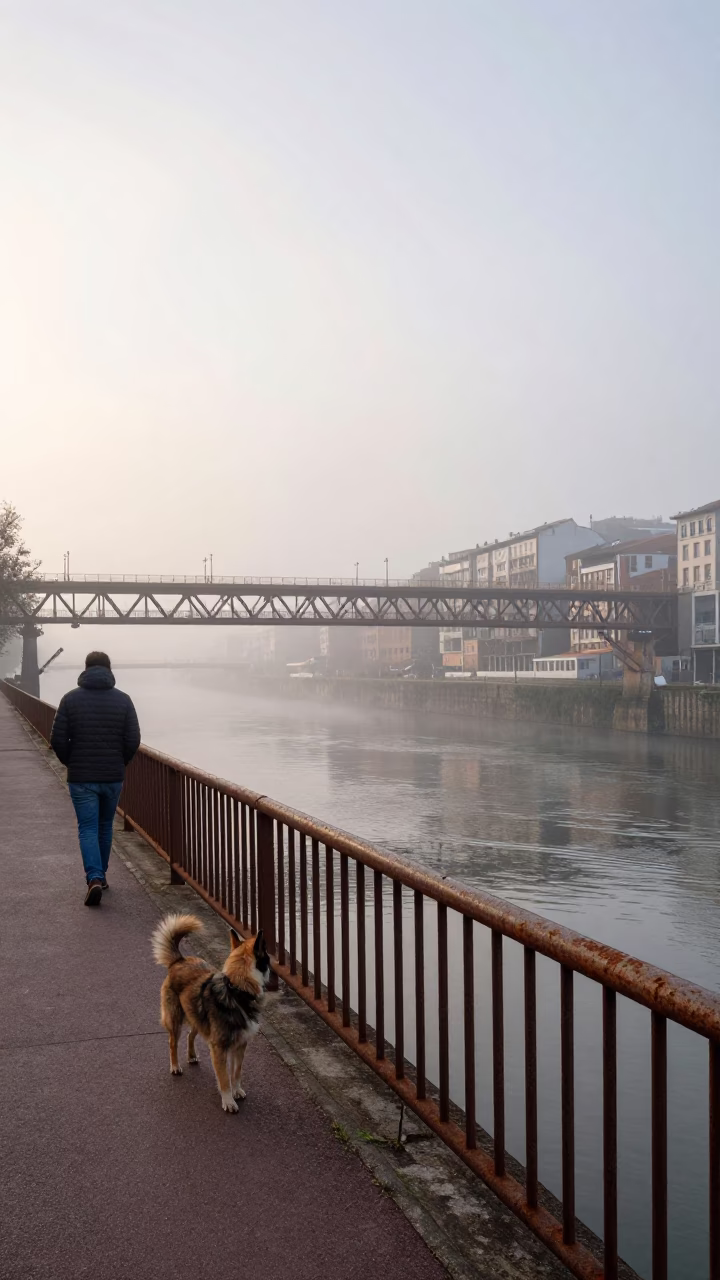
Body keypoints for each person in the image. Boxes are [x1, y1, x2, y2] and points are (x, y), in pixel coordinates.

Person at [50, 651, 141, 906]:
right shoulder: (123, 700)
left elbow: (57, 739)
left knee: (87, 828)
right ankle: (101, 876)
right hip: (112, 776)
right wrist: (119, 761)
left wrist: (72, 762)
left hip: (82, 778)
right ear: (109, 669)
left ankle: (94, 878)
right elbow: (132, 739)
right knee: (104, 826)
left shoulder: (70, 699)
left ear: (86, 668)